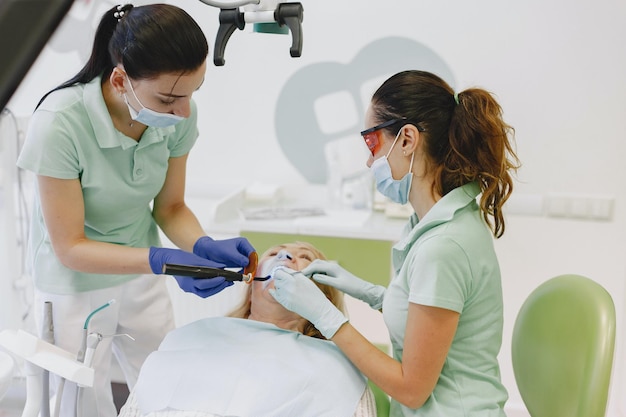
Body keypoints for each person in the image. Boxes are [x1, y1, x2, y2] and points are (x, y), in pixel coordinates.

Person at [16, 4, 255, 417]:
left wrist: (202, 246)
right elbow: (70, 247)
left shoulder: (178, 116)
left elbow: (171, 207)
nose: (183, 112)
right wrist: (163, 259)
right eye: (168, 98)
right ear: (120, 79)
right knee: (77, 404)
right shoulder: (59, 122)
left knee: (166, 385)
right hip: (73, 282)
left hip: (140, 274)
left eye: (192, 93)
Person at [269, 70, 520, 416]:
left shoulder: (444, 246)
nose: (369, 161)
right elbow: (427, 322)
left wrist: (326, 317)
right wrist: (370, 293)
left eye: (371, 144)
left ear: (407, 140)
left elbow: (412, 389)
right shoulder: (435, 223)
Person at [118, 242, 377, 417]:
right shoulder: (193, 337)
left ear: (323, 297)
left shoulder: (336, 363)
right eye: (274, 253)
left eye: (304, 258)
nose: (285, 257)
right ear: (250, 288)